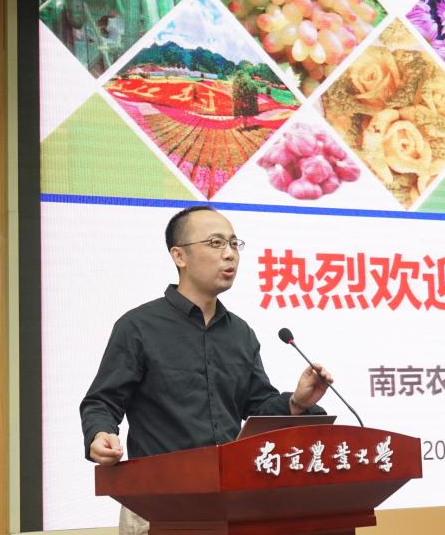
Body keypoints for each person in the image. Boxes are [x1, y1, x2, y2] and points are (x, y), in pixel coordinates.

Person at [80, 205, 333, 535]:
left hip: (230, 503)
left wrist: (296, 404)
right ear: (179, 256)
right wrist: (100, 434)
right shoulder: (138, 327)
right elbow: (102, 402)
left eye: (234, 243)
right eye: (215, 243)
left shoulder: (240, 333)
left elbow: (256, 407)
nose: (229, 254)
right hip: (157, 503)